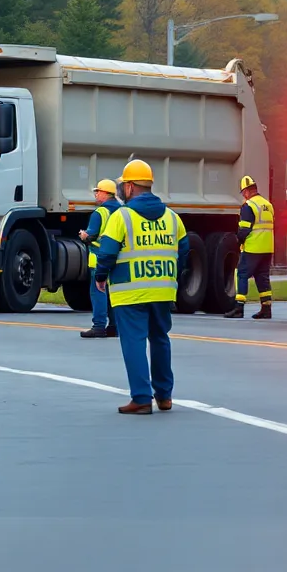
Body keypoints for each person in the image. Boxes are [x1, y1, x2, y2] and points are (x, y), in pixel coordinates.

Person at [94, 159, 188, 415]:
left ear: (131, 186)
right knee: (160, 339)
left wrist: (100, 276)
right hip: (163, 290)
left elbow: (108, 252)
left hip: (129, 291)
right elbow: (184, 249)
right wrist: (172, 275)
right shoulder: (172, 217)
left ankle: (141, 398)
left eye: (124, 184)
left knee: (133, 342)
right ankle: (165, 396)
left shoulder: (122, 216)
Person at [226, 175, 275, 319]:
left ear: (246, 191)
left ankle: (239, 308)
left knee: (241, 274)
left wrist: (238, 241)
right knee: (262, 277)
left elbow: (244, 229)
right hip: (267, 248)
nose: (243, 196)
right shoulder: (268, 205)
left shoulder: (249, 206)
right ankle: (266, 308)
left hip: (253, 248)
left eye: (243, 193)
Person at [79, 179, 121, 338]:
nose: (96, 194)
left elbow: (91, 235)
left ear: (106, 193)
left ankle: (98, 326)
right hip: (118, 258)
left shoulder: (100, 213)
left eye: (98, 191)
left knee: (99, 291)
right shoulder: (123, 211)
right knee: (113, 293)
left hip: (99, 258)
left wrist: (84, 236)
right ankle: (114, 326)